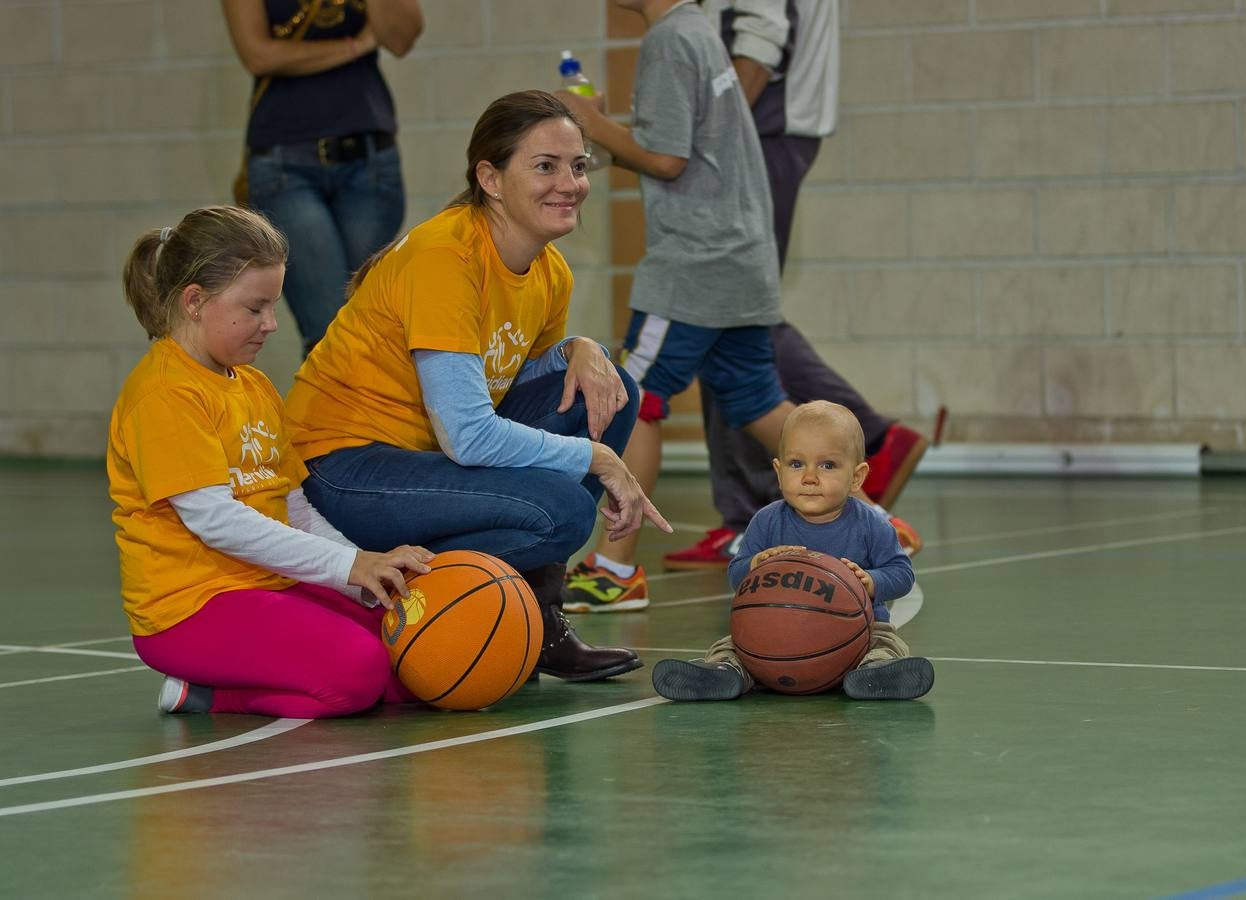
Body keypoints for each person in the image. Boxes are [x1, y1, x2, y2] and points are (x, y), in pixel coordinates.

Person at [284, 90, 670, 683]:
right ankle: (394, 600)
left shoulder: (549, 269)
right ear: (490, 178)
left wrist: (579, 351)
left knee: (610, 390)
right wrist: (595, 459)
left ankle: (538, 621)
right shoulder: (445, 257)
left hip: (424, 451)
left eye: (578, 165)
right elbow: (468, 435)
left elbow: (517, 374)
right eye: (545, 166)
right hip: (345, 465)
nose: (569, 182)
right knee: (563, 510)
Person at [109, 206, 436, 718]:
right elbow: (219, 523)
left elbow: (290, 501)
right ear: (194, 301)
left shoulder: (253, 383)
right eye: (255, 307)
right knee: (358, 674)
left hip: (264, 582)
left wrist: (363, 575)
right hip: (189, 607)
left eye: (273, 306)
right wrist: (348, 565)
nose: (271, 324)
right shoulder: (164, 394)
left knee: (419, 654)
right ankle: (206, 693)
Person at [663, 0, 927, 574]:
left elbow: (760, 34)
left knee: (729, 317)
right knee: (730, 317)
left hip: (757, 132)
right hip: (760, 130)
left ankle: (768, 505)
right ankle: (758, 507)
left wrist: (710, 136)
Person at [554, 0, 796, 614]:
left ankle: (613, 568)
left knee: (630, 399)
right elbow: (673, 147)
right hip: (738, 257)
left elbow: (667, 160)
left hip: (695, 264)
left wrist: (584, 121)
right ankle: (868, 515)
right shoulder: (698, 32)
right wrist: (604, 131)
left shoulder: (667, 40)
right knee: (756, 398)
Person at [651, 401, 936, 701]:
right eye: (796, 464)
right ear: (778, 470)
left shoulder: (872, 524)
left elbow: (902, 574)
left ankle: (876, 673)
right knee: (734, 644)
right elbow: (735, 575)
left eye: (827, 465)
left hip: (857, 635)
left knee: (886, 642)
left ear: (856, 477)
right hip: (774, 636)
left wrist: (871, 581)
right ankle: (723, 673)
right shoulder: (767, 520)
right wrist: (754, 565)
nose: (809, 477)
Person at [223, 0, 423, 354]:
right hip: (286, 164)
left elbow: (401, 38)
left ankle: (372, 408)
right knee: (327, 332)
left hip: (369, 159)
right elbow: (259, 55)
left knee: (371, 321)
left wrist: (309, 55)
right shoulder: (355, 45)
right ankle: (337, 407)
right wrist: (356, 46)